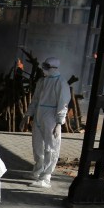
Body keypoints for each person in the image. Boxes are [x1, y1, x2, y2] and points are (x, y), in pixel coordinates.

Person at [24, 57, 71, 189]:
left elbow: (63, 104)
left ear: (54, 68)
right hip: (39, 115)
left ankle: (46, 177)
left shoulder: (61, 83)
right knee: (37, 145)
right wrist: (28, 115)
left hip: (51, 117)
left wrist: (59, 123)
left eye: (46, 66)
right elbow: (35, 99)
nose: (43, 69)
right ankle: (38, 171)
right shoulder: (42, 81)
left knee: (51, 147)